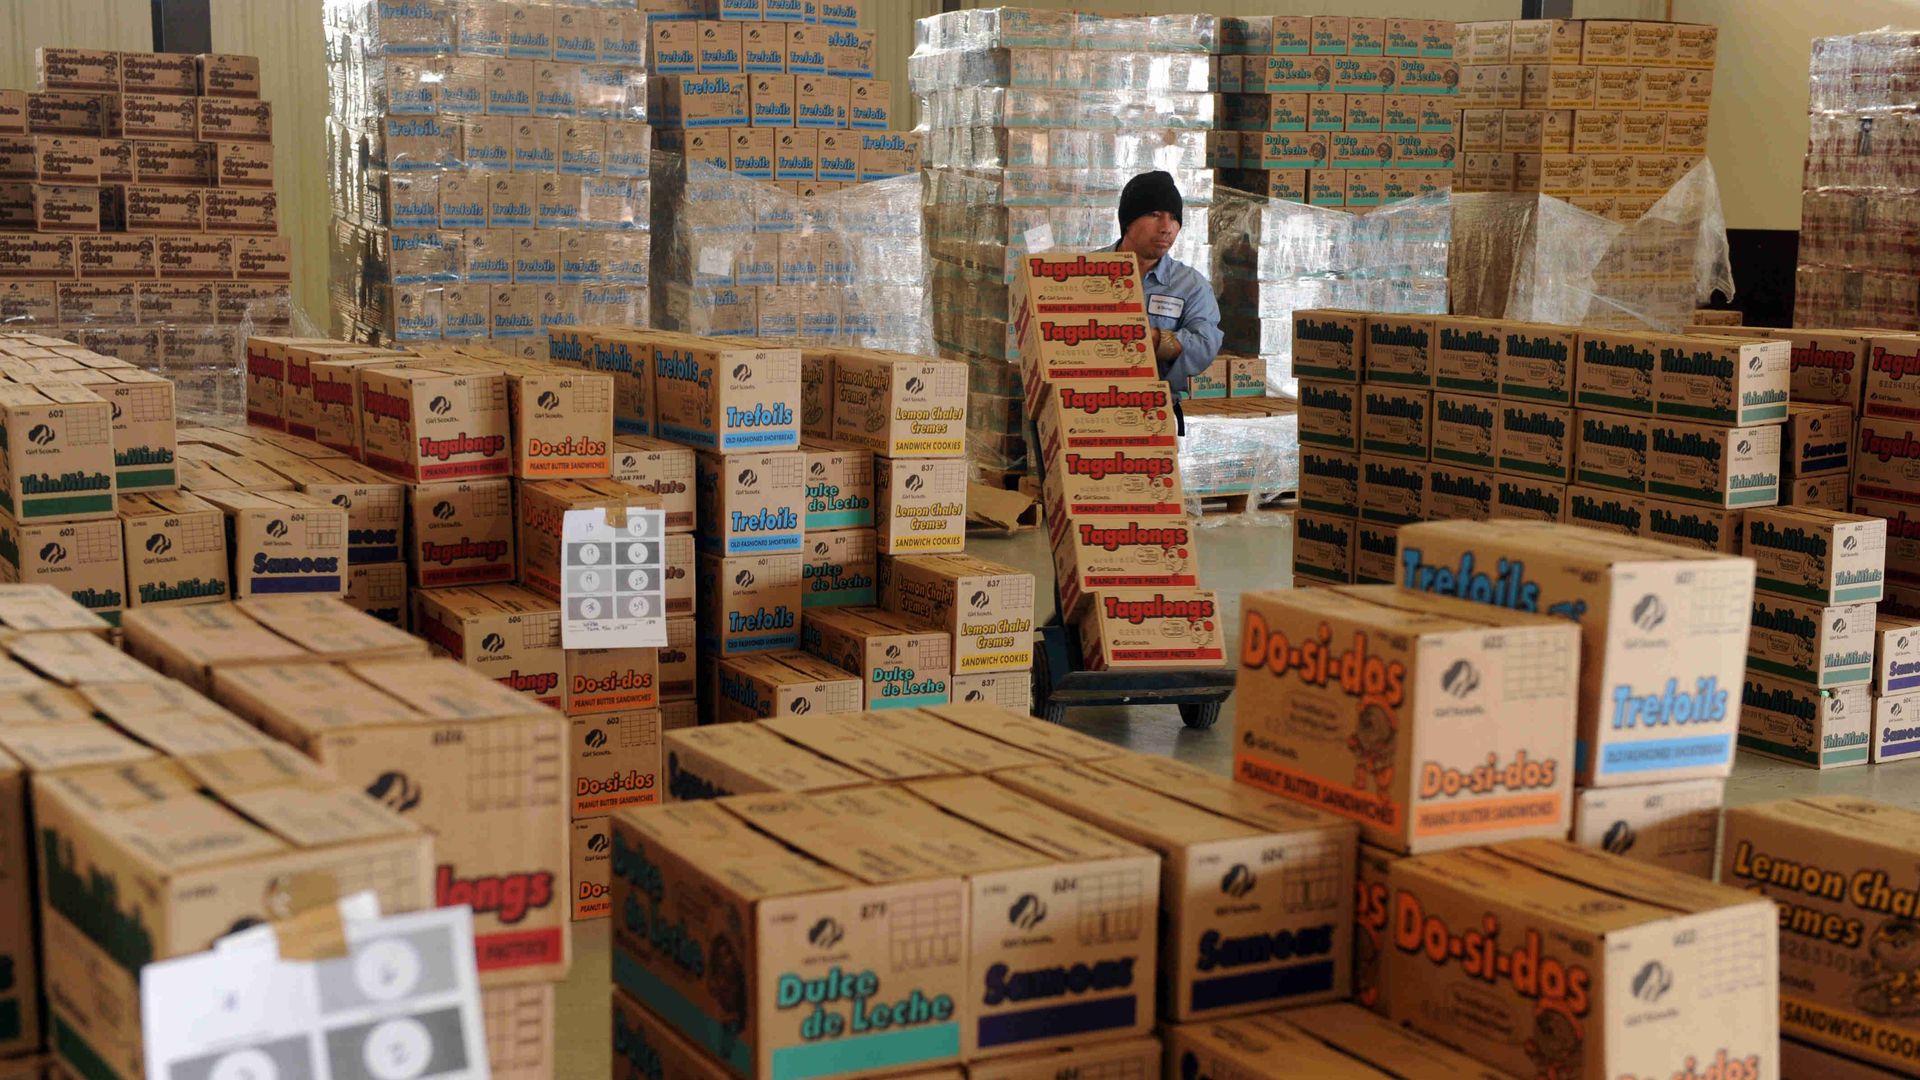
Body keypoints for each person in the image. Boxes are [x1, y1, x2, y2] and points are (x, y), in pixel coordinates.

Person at [1113, 169, 1223, 433]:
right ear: (1128, 221)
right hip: (1086, 409)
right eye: (1154, 215)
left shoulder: (1190, 285)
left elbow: (1205, 344)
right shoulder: (1086, 271)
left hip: (1153, 414)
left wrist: (1153, 339)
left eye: (1174, 218)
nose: (1166, 227)